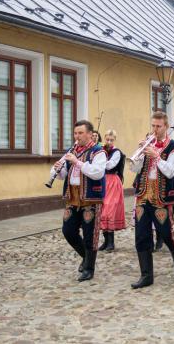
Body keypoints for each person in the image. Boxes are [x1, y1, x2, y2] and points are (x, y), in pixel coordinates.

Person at [129, 111, 174, 289]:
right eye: (153, 125)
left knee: (166, 232)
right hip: (143, 195)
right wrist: (139, 154)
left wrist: (156, 156)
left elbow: (170, 171)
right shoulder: (148, 143)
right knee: (141, 236)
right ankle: (146, 275)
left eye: (158, 126)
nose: (155, 129)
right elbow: (135, 169)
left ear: (166, 127)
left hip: (160, 197)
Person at [50, 120, 106, 282]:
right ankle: (86, 257)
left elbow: (97, 173)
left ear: (90, 134)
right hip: (73, 198)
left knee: (90, 235)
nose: (77, 136)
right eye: (75, 133)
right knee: (68, 231)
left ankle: (89, 269)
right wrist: (58, 170)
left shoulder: (98, 151)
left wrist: (77, 162)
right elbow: (65, 175)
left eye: (80, 133)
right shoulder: (72, 150)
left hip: (90, 199)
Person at [99, 129, 126, 252]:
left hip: (113, 182)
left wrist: (100, 159)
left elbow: (110, 165)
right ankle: (105, 241)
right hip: (102, 181)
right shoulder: (102, 150)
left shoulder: (117, 152)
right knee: (102, 210)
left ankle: (111, 242)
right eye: (107, 139)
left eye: (111, 140)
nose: (109, 142)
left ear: (114, 140)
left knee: (109, 211)